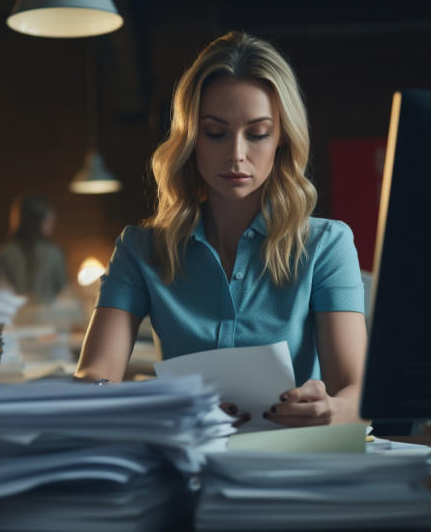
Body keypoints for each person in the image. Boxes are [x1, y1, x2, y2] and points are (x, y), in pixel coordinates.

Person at [74, 31, 368, 428]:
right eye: (215, 132)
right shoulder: (139, 249)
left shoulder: (326, 244)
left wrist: (332, 409)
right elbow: (93, 377)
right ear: (191, 138)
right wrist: (144, 405)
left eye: (258, 133)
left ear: (282, 138)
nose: (236, 154)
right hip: (185, 458)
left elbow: (356, 391)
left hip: (291, 460)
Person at [0, 195, 67, 304]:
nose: (53, 220)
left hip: (13, 316)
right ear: (40, 220)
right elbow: (64, 291)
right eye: (49, 217)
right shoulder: (54, 253)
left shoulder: (4, 253)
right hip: (48, 317)